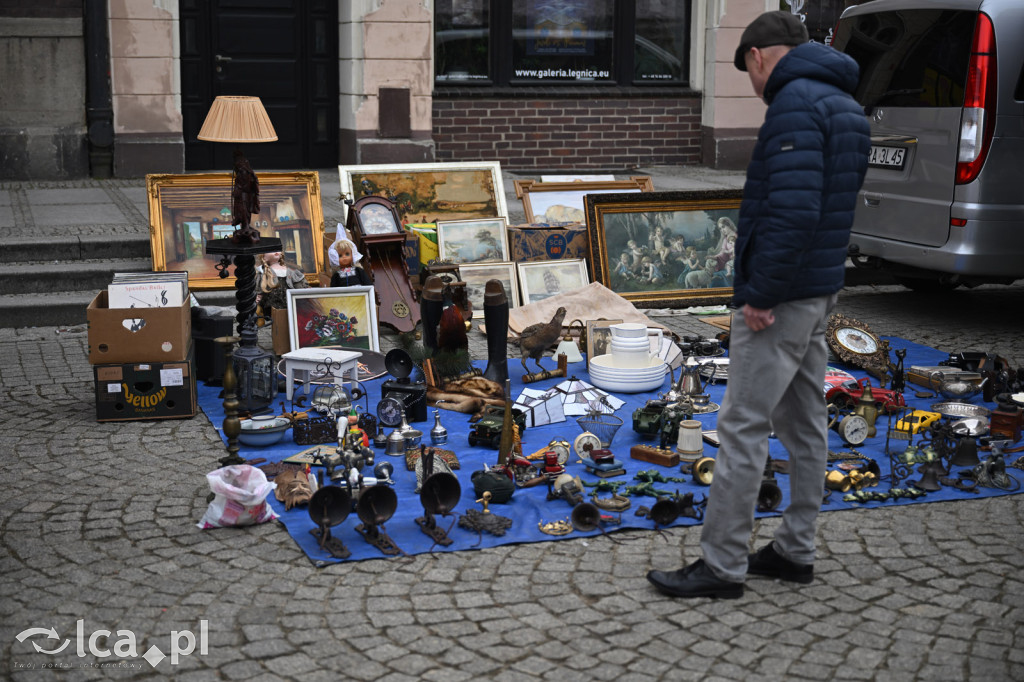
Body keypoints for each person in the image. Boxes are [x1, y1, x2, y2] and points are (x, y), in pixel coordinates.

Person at [646, 10, 870, 599]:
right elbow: (833, 204)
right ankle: (795, 550)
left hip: (783, 295)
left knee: (742, 425)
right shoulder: (845, 104)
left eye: (746, 70)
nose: (751, 84)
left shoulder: (794, 103)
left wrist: (763, 294)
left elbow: (793, 212)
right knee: (805, 424)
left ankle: (721, 565)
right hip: (818, 288)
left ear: (757, 56)